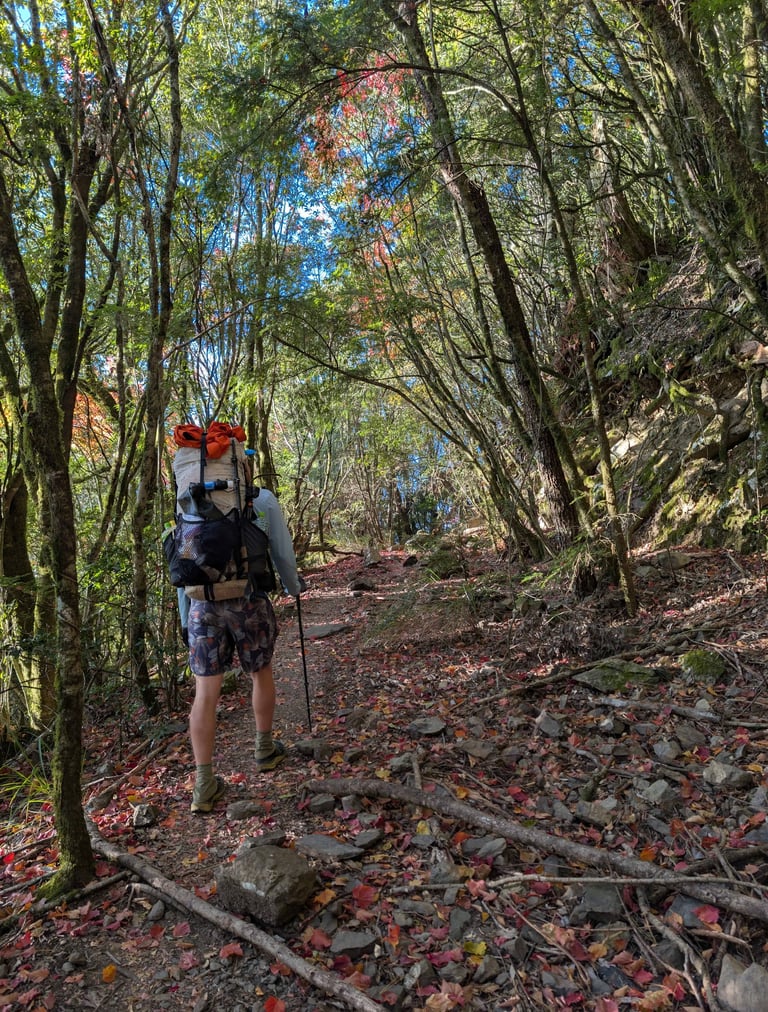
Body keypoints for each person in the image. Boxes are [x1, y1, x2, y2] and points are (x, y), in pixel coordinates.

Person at [177, 485, 304, 815]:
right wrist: (293, 587)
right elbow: (280, 549)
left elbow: (183, 562)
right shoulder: (259, 499)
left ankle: (204, 784)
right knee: (260, 674)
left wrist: (186, 620)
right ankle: (264, 749)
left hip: (201, 606)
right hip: (248, 599)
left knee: (205, 694)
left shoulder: (187, 499)